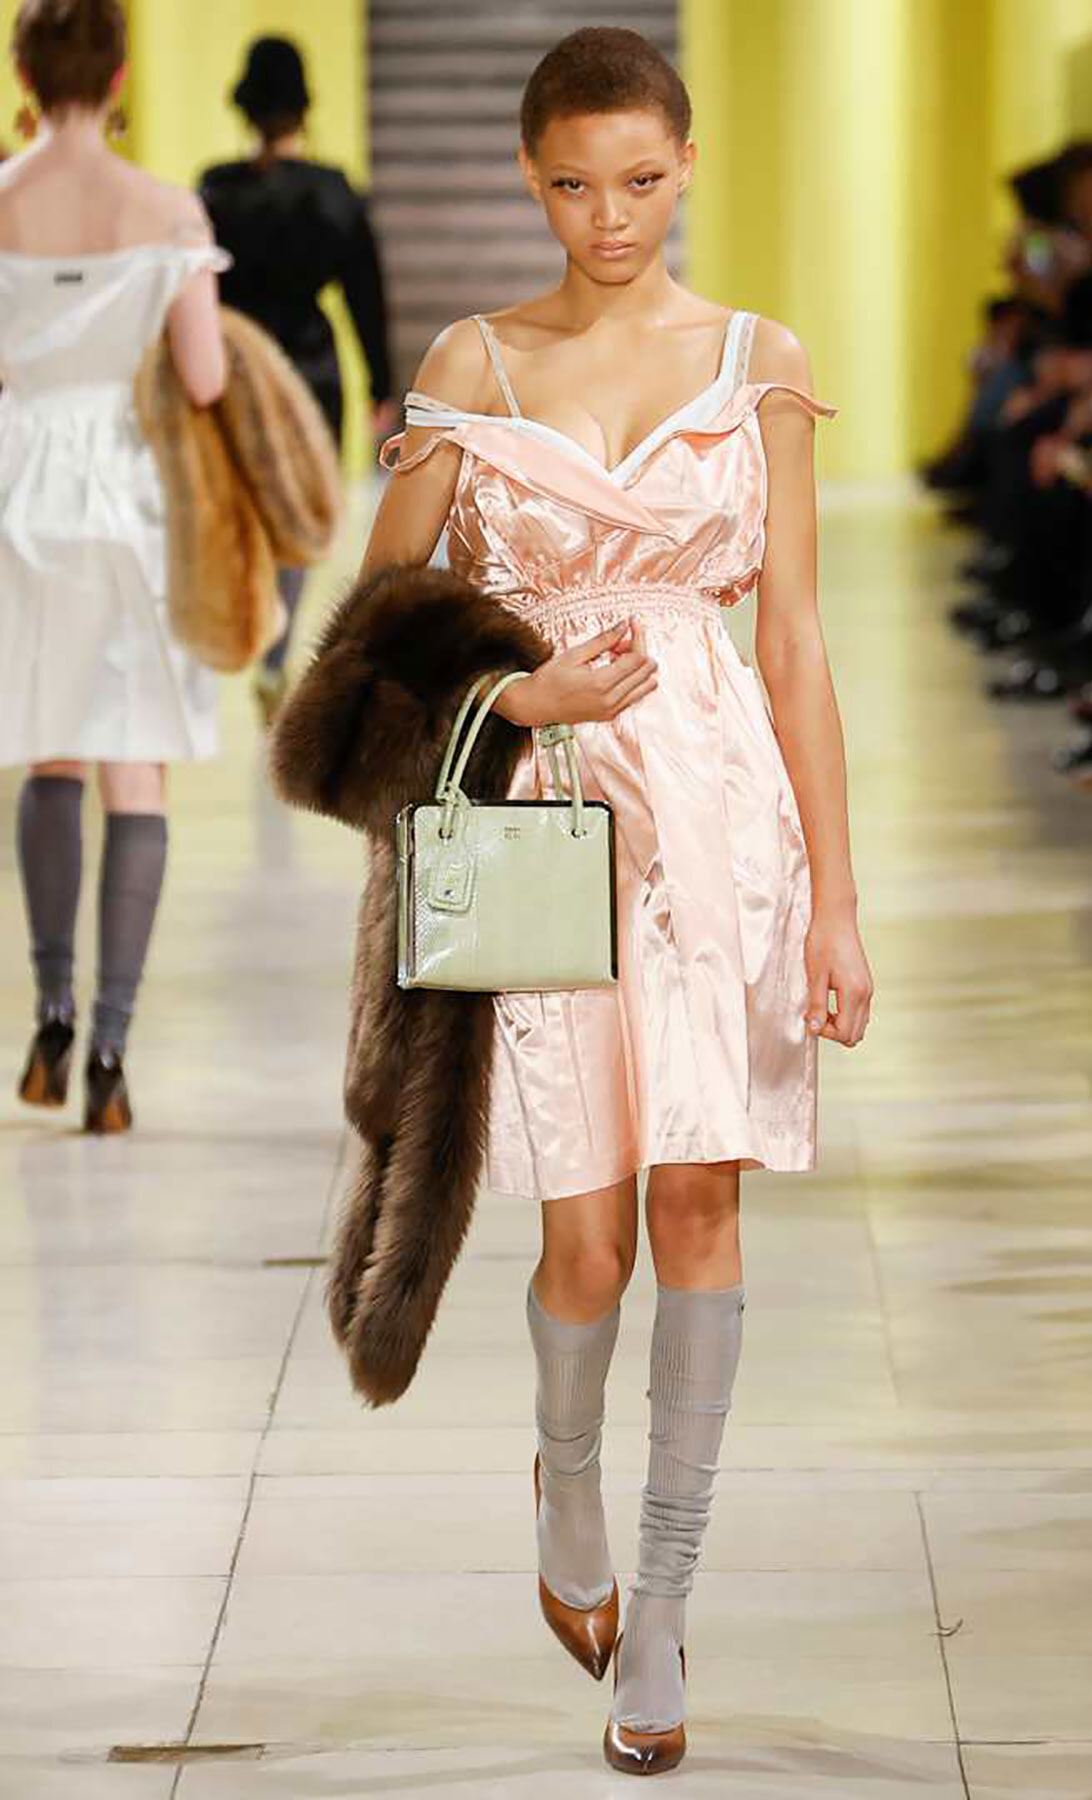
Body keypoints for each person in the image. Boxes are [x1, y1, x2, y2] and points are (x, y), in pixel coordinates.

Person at [276, 24, 873, 1776]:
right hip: (535, 822)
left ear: (685, 166)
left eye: (636, 178)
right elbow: (367, 642)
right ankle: (572, 1489)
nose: (605, 215)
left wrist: (837, 900)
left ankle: (666, 1617)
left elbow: (799, 642)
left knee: (701, 1205)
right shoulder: (473, 363)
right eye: (569, 184)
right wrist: (516, 699)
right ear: (536, 182)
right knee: (587, 1240)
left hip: (724, 832)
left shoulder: (761, 362)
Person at [0, 0, 227, 1133]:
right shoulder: (166, 209)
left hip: (21, 494)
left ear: (22, 69)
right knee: (137, 768)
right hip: (131, 502)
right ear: (124, 68)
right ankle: (112, 1058)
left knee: (52, 758)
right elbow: (203, 377)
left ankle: (47, 1013)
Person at [199, 35, 395, 723]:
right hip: (313, 369)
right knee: (298, 519)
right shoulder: (333, 194)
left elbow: (198, 294)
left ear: (246, 107)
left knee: (242, 505)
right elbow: (366, 292)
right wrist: (380, 384)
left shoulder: (216, 191)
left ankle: (248, 627)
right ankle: (275, 652)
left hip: (236, 370)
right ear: (303, 107)